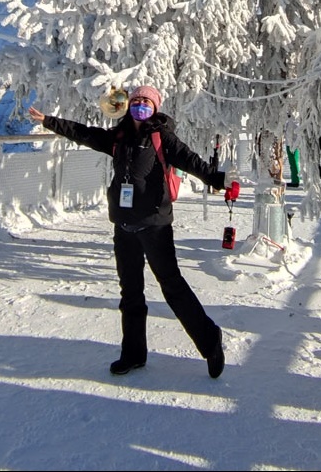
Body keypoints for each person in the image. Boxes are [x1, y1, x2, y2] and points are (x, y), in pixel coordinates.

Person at [28, 85, 232, 377]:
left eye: (145, 102)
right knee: (131, 291)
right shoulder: (119, 136)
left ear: (155, 107)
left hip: (155, 224)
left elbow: (192, 162)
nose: (140, 106)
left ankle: (210, 340)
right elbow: (85, 133)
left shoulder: (163, 137)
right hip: (124, 225)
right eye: (136, 101)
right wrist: (49, 121)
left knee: (172, 286)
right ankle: (133, 353)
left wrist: (221, 180)